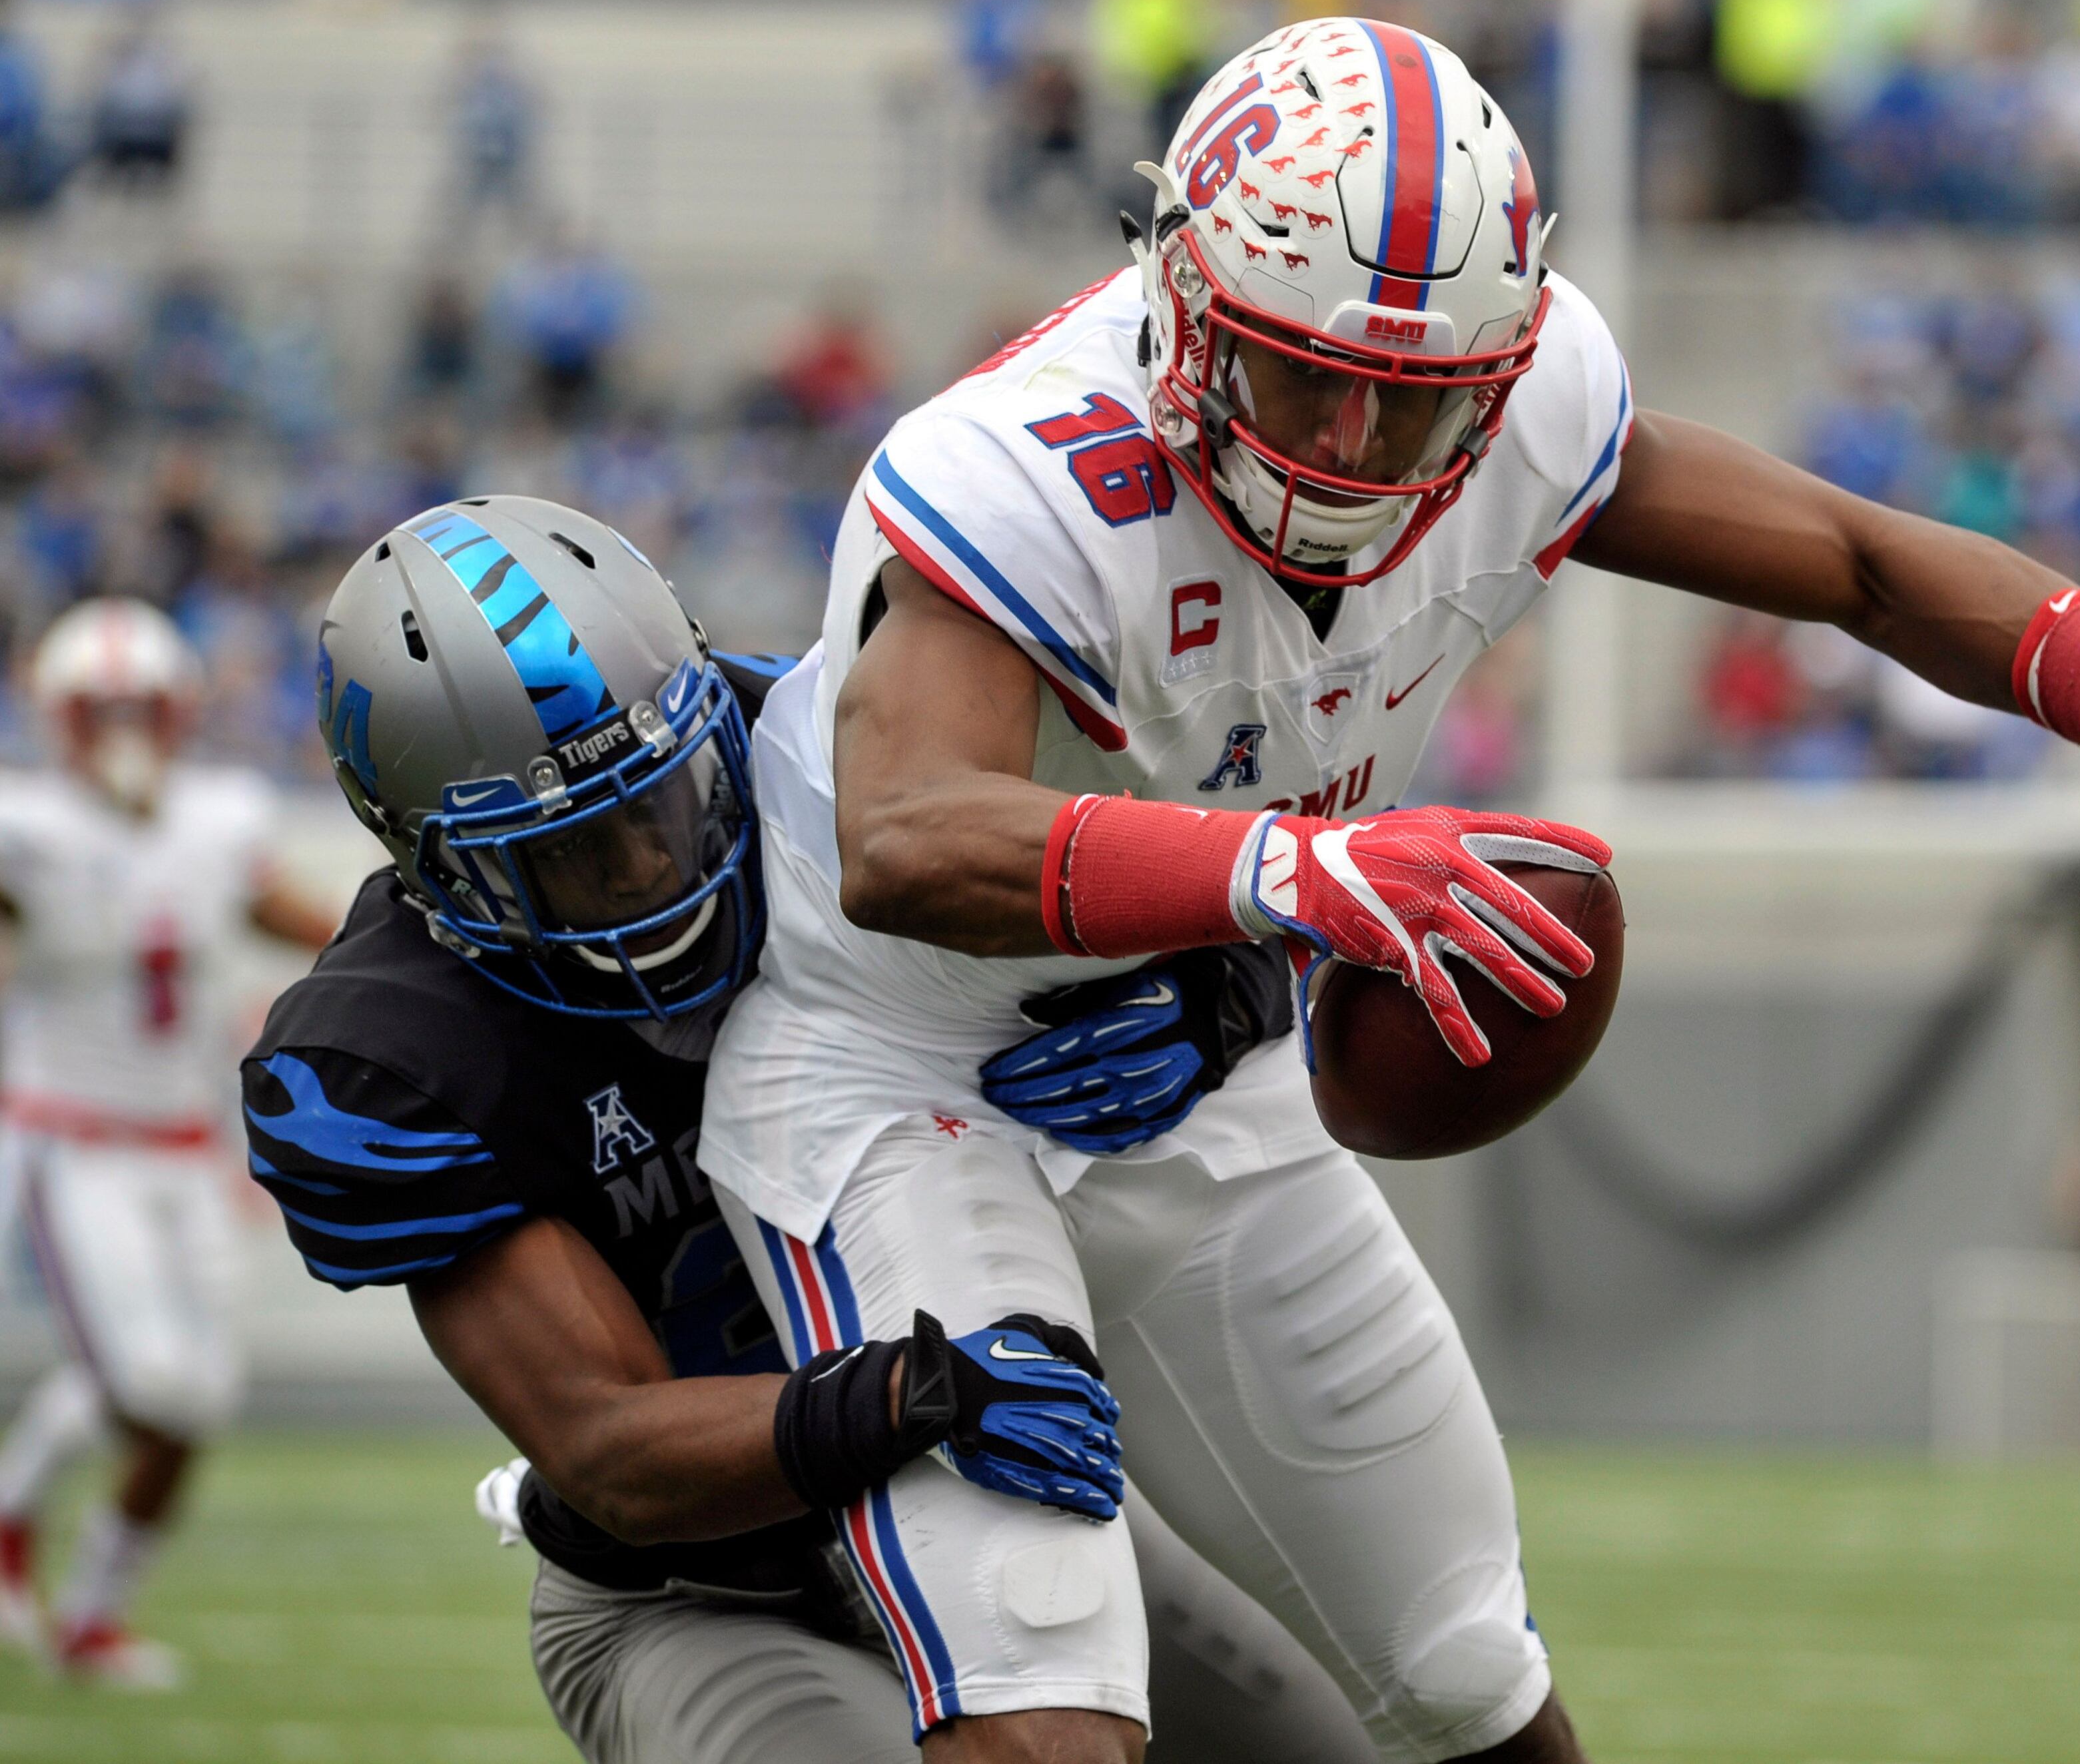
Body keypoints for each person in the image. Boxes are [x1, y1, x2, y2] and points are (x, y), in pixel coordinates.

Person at [695, 16, 2080, 1763]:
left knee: (1466, 1658)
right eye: (1302, 371)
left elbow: (1852, 558)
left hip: (1186, 1042)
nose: (1353, 448)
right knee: (1042, 1681)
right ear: (1177, 288)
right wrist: (1287, 874)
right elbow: (910, 832)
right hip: (901, 1074)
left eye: (1417, 400)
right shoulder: (1022, 467)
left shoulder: (1528, 400)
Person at [247, 497, 1377, 1764]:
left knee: (1344, 1748)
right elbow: (611, 1447)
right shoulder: (390, 1059)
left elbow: (1196, 866)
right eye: (566, 856)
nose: (645, 877)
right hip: (704, 1593)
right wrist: (916, 1387)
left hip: (987, 1475)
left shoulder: (825, 758)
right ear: (430, 863)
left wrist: (1213, 996)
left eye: (662, 803)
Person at [0, 598, 338, 1687]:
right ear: (57, 717)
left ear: (182, 709)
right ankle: (13, 1515)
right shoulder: (28, 827)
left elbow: (303, 918)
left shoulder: (219, 817)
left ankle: (90, 1614)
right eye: (98, 710)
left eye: (140, 706)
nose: (121, 728)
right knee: (149, 1379)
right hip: (73, 1141)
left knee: (195, 1394)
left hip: (186, 1147)